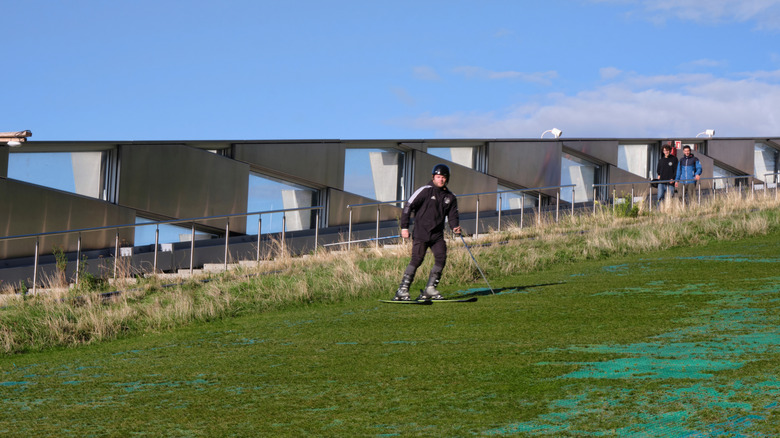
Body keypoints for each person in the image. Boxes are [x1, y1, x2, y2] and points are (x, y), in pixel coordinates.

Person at [393, 164, 461, 301]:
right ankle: (402, 290)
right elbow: (408, 207)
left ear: (447, 179)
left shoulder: (450, 197)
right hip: (421, 233)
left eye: (443, 177)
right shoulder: (425, 191)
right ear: (433, 177)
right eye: (438, 177)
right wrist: (404, 227)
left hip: (437, 235)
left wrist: (455, 227)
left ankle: (430, 289)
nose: (440, 180)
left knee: (441, 258)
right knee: (417, 260)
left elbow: (453, 215)